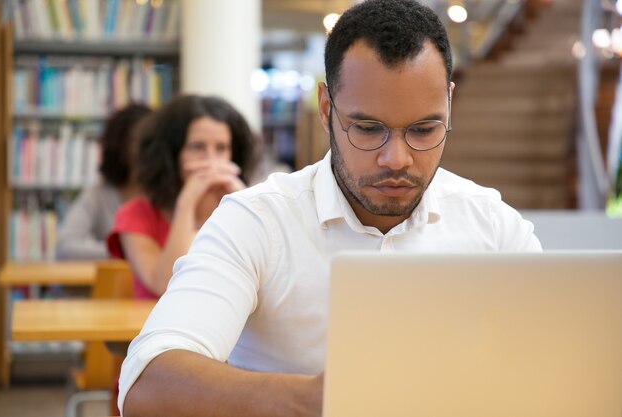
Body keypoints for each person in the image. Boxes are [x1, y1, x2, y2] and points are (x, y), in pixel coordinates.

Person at [119, 1, 542, 416]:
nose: (396, 158)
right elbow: (146, 383)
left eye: (423, 129)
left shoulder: (493, 226)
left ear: (449, 105)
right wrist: (313, 400)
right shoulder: (257, 221)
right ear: (326, 109)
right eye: (367, 128)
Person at [106, 94, 257, 299]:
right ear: (171, 154)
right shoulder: (135, 215)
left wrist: (244, 201)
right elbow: (163, 284)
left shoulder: (236, 207)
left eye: (221, 148)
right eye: (197, 147)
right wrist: (187, 202)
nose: (211, 160)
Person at [55, 103, 151, 260]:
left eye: (151, 141)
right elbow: (65, 246)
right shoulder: (99, 194)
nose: (145, 151)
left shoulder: (168, 194)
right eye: (137, 142)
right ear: (119, 146)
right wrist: (126, 252)